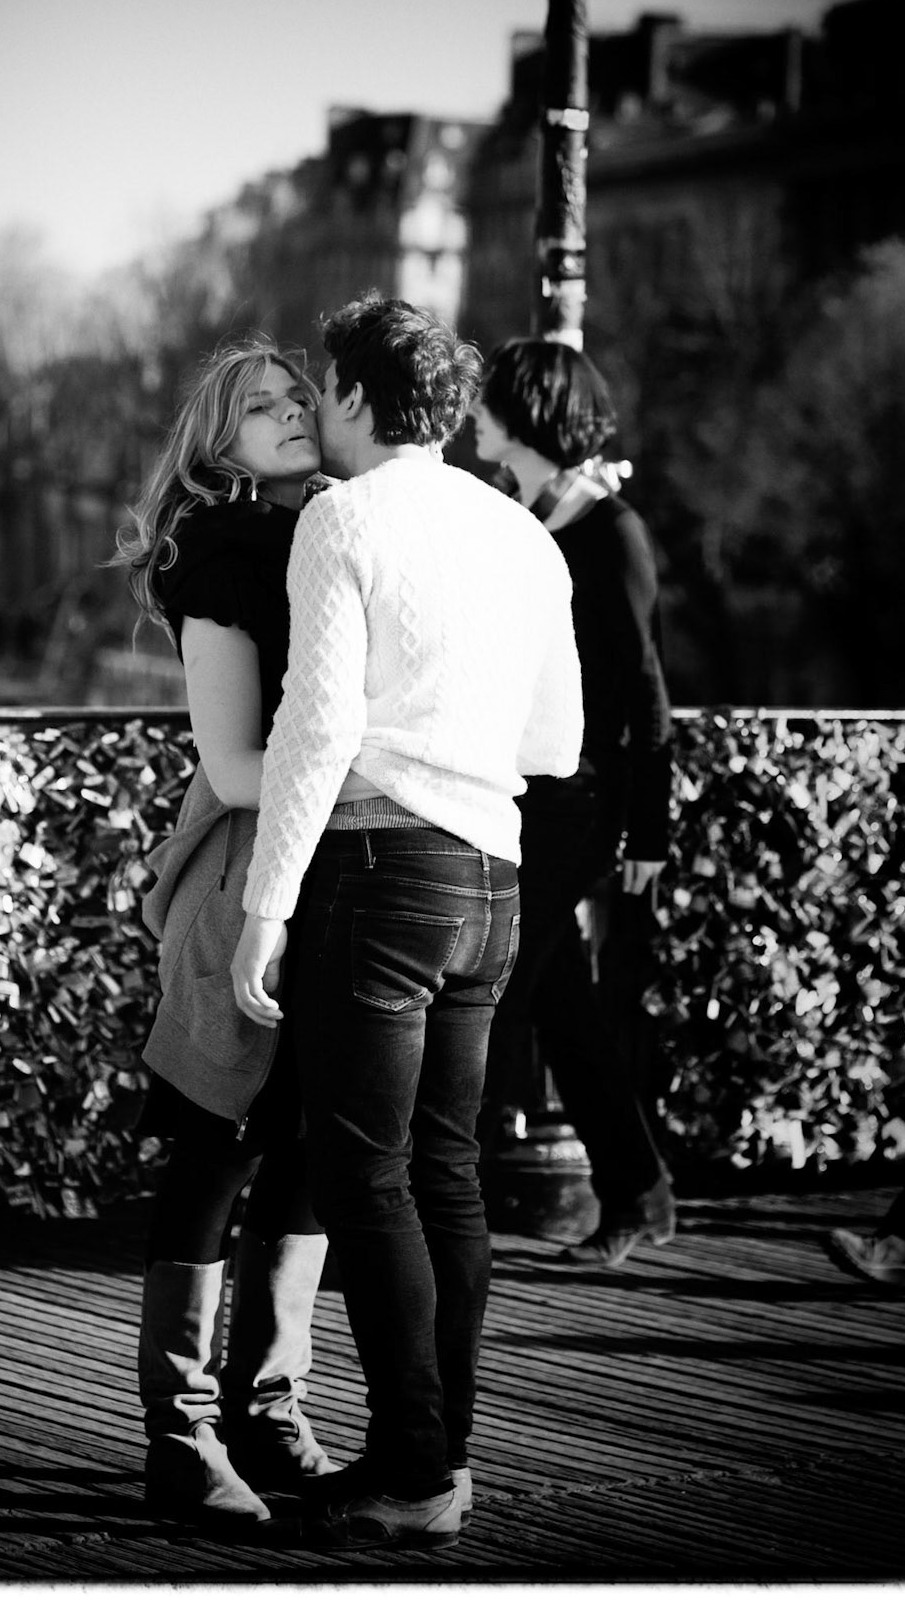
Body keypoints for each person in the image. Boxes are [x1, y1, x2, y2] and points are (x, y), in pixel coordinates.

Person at [231, 294, 583, 1551]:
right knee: (448, 1174)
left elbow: (315, 727)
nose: (317, 406)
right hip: (494, 876)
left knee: (366, 1175)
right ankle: (443, 1455)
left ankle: (414, 1468)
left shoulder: (342, 518)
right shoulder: (525, 536)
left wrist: (265, 906)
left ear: (364, 397)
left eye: (326, 385)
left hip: (379, 871)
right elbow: (557, 741)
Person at [117, 337, 343, 1531]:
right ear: (220, 443)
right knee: (219, 1148)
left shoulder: (341, 532)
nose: (291, 414)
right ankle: (182, 1429)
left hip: (341, 879)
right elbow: (234, 764)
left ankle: (271, 1401)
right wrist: (366, 768)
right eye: (261, 407)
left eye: (300, 398)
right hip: (247, 876)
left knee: (305, 1148)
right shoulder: (222, 557)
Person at [469, 338, 676, 1269]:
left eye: (486, 406)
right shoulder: (525, 515)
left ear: (526, 414)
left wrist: (650, 826)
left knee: (498, 985)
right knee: (560, 1003)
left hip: (583, 802)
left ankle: (443, 1202)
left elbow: (643, 687)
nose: (472, 420)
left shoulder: (609, 529)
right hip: (527, 790)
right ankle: (638, 1192)